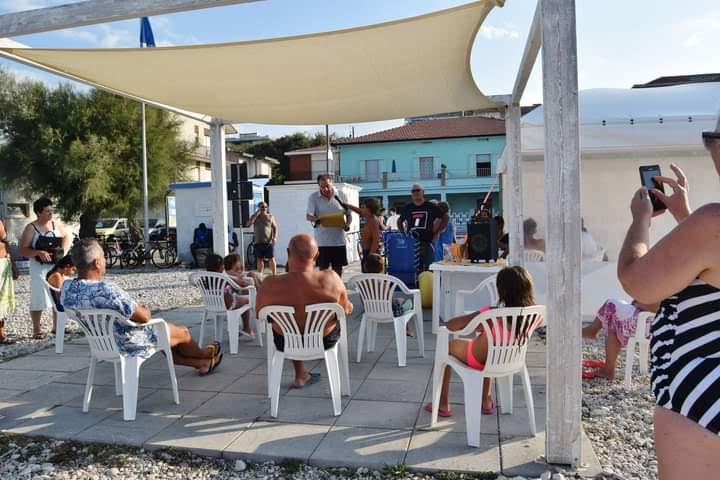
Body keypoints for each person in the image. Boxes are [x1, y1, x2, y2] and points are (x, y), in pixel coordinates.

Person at [618, 139, 720, 479]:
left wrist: (640, 221)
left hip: (703, 394)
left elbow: (636, 281)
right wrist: (684, 218)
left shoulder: (713, 224)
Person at [63, 239, 222, 375]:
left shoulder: (67, 289)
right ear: (97, 264)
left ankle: (201, 364)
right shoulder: (105, 290)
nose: (105, 261)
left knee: (170, 340)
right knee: (182, 333)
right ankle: (206, 354)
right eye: (104, 257)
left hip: (102, 344)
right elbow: (144, 317)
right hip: (129, 341)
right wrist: (144, 308)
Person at [424, 266, 536, 417]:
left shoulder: (491, 313)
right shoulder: (532, 314)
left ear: (502, 291)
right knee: (492, 345)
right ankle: (486, 400)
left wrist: (478, 318)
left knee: (447, 347)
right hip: (510, 359)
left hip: (477, 358)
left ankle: (442, 404)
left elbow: (452, 325)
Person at [256, 234, 353, 388]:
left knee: (289, 325)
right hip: (324, 340)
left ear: (288, 253)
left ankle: (300, 374)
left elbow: (259, 314)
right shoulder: (332, 278)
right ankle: (334, 381)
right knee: (327, 320)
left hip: (286, 342)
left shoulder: (269, 284)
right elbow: (346, 309)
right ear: (318, 255)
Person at [19, 197, 71, 339]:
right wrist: (37, 252)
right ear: (38, 212)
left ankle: (57, 326)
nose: (50, 214)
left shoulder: (55, 225)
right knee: (38, 297)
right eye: (47, 211)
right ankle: (36, 329)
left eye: (51, 211)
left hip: (56, 266)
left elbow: (66, 236)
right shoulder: (31, 228)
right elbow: (23, 249)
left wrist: (63, 250)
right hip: (39, 267)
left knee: (58, 294)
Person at [581, 298, 658, 379]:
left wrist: (639, 303)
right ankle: (608, 368)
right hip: (656, 326)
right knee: (615, 319)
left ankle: (592, 330)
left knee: (611, 304)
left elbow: (655, 308)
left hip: (649, 323)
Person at [306, 174, 351, 277]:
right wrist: (316, 219)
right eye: (322, 186)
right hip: (322, 241)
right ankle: (324, 291)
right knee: (323, 269)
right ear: (318, 185)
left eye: (327, 186)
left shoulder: (341, 195)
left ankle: (337, 289)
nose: (325, 189)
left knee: (338, 269)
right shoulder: (313, 197)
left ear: (332, 183)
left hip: (338, 240)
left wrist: (347, 224)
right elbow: (308, 216)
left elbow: (348, 214)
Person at [205, 253, 260, 337]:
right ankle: (247, 327)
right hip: (229, 303)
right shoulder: (223, 276)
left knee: (244, 298)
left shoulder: (205, 277)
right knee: (249, 299)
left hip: (213, 305)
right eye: (223, 264)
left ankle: (246, 327)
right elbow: (243, 283)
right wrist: (240, 278)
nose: (224, 267)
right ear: (220, 266)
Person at [398, 184, 448, 272]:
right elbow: (399, 221)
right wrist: (403, 235)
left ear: (423, 192)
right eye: (413, 191)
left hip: (427, 243)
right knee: (414, 270)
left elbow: (445, 217)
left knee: (430, 270)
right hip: (412, 245)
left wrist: (437, 232)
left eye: (418, 190)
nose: (416, 192)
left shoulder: (430, 206)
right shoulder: (408, 207)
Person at [341, 198, 381, 273]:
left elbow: (376, 240)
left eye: (363, 207)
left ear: (368, 209)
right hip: (366, 252)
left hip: (371, 253)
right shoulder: (368, 217)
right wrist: (348, 206)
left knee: (370, 278)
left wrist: (370, 258)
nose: (361, 209)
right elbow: (359, 211)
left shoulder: (373, 221)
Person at [46, 255, 75, 333]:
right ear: (67, 266)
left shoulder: (58, 274)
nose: (73, 272)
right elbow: (59, 296)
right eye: (73, 269)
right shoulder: (57, 276)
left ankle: (57, 327)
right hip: (60, 304)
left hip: (57, 304)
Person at [0, 219, 17, 344]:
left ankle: (1, 334)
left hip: (4, 262)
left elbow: (6, 243)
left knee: (2, 301)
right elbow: (3, 237)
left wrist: (14, 265)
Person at [249, 202, 278, 275]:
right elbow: (249, 224)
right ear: (258, 208)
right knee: (259, 259)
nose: (264, 208)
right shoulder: (255, 217)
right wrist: (256, 214)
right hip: (258, 242)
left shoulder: (270, 217)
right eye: (262, 207)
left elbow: (275, 227)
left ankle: (274, 274)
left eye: (265, 207)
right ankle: (260, 275)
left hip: (268, 242)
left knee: (271, 258)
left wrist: (274, 237)